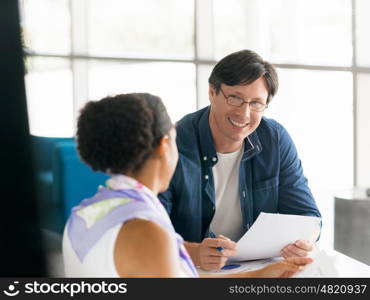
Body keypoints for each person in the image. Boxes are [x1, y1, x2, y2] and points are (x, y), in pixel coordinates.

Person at [62, 93, 312, 277]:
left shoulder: (86, 213)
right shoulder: (145, 232)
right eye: (174, 136)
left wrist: (257, 276)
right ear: (163, 145)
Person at [158, 50, 322, 271]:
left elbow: (308, 217)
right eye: (235, 98)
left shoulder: (275, 139)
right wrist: (192, 252)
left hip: (260, 268)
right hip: (190, 270)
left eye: (256, 103)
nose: (244, 114)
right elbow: (147, 227)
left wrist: (305, 242)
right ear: (212, 92)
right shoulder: (176, 143)